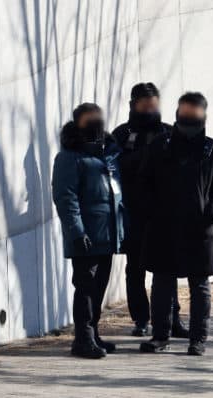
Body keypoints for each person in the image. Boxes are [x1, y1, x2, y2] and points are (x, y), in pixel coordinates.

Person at [137, 92, 213, 356]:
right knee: (161, 284)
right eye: (185, 112)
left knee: (199, 286)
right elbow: (143, 182)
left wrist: (209, 214)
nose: (189, 117)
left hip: (199, 229)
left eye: (194, 113)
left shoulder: (212, 149)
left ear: (203, 115)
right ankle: (160, 336)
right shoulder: (161, 144)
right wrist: (153, 213)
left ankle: (198, 339)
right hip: (163, 229)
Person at [111, 82, 188, 339]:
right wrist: (147, 156)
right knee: (135, 269)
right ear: (133, 105)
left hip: (165, 214)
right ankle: (141, 319)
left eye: (154, 104)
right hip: (133, 213)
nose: (150, 109)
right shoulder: (121, 135)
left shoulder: (170, 132)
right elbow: (115, 167)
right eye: (145, 105)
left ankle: (171, 319)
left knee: (167, 269)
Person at [52, 103, 124, 359]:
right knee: (85, 287)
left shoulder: (106, 152)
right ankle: (82, 339)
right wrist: (76, 231)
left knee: (99, 286)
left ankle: (93, 333)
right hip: (85, 236)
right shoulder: (69, 156)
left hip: (107, 234)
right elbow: (65, 197)